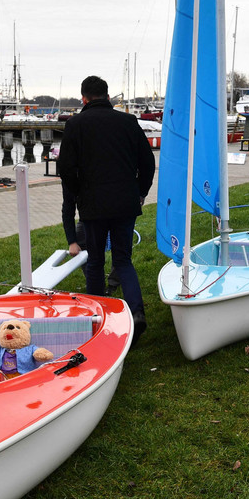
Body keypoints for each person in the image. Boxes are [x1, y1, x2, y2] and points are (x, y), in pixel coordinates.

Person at [58, 75, 155, 340]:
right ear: (107, 96)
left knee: (96, 262)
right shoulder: (128, 121)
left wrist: (79, 195)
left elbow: (65, 169)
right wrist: (140, 193)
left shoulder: (75, 124)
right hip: (125, 202)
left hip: (93, 204)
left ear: (84, 98)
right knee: (123, 260)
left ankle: (98, 318)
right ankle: (136, 313)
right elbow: (147, 163)